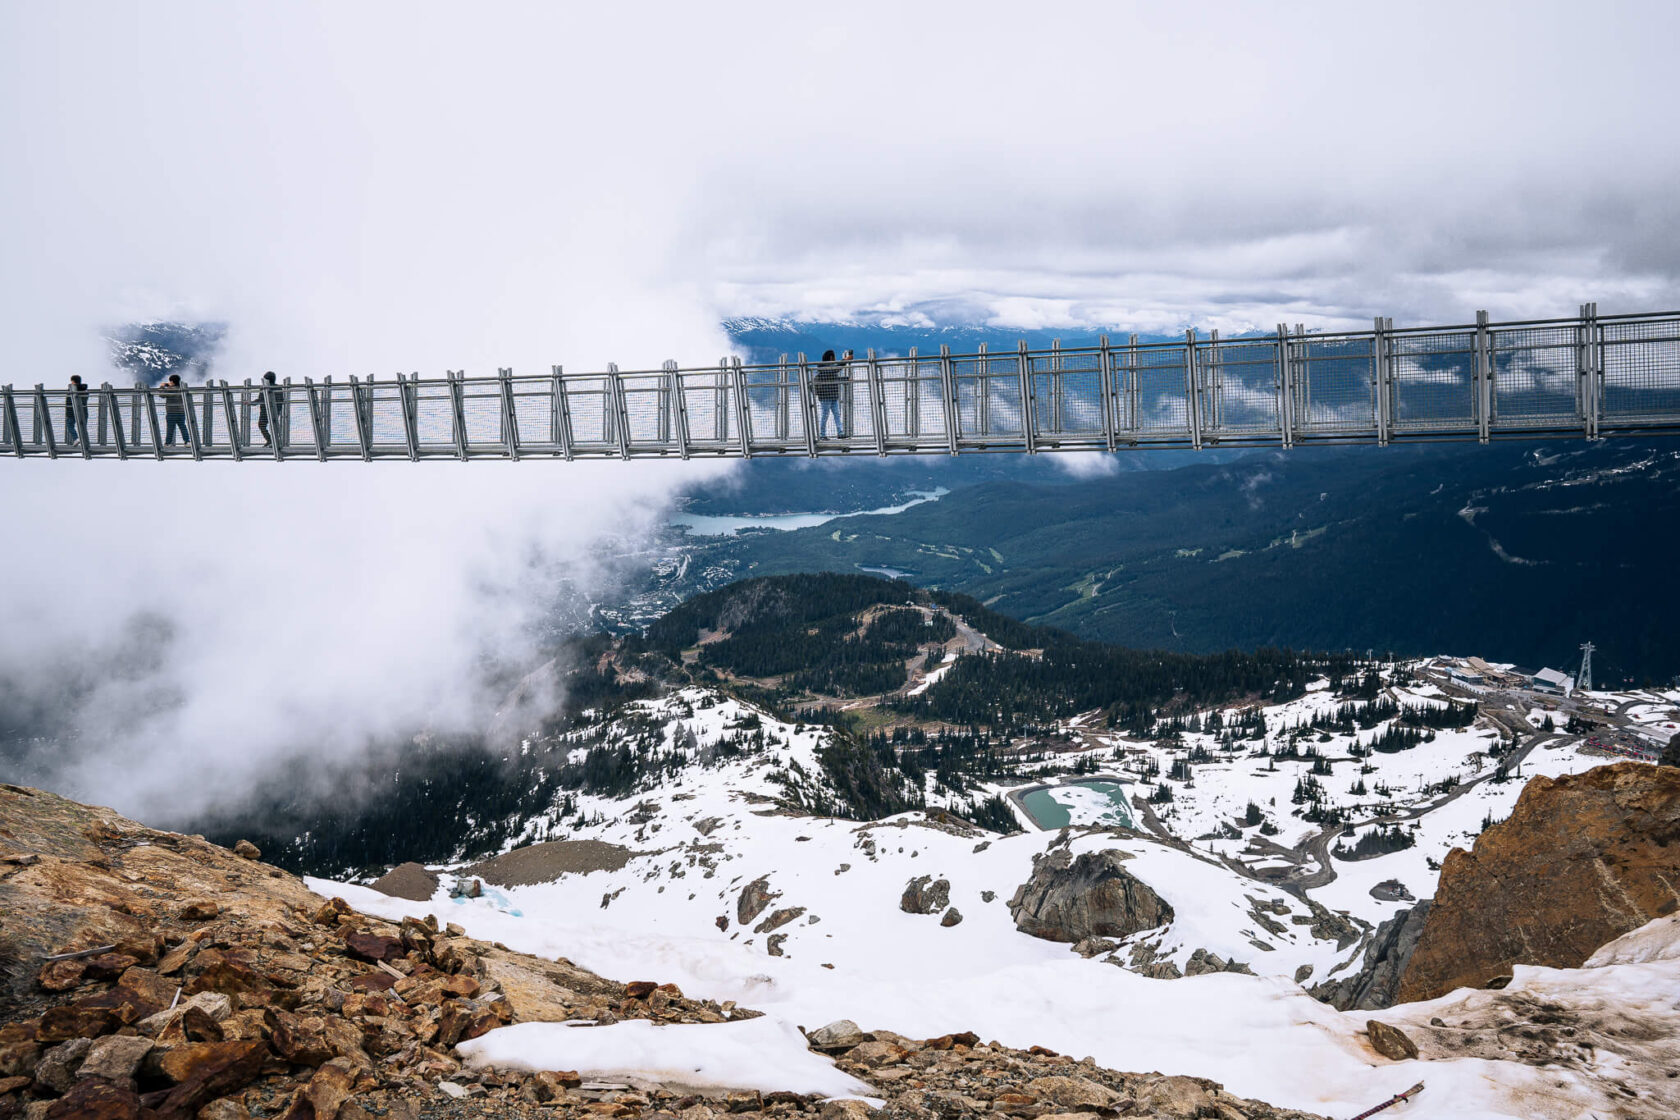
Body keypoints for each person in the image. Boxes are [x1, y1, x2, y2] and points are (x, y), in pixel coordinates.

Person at [814, 349, 849, 439]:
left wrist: (845, 379)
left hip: (833, 395)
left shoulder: (828, 368)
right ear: (831, 357)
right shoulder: (823, 367)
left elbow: (834, 377)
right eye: (834, 357)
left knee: (836, 414)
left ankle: (840, 432)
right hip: (826, 396)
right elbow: (835, 370)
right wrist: (845, 361)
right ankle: (822, 434)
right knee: (825, 415)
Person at [159, 373, 190, 446]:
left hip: (171, 412)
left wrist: (162, 387)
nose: (169, 383)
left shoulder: (170, 389)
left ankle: (167, 443)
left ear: (172, 382)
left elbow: (161, 395)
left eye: (170, 381)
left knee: (170, 429)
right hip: (181, 412)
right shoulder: (181, 389)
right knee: (183, 427)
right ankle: (187, 441)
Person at [255, 371, 280, 447]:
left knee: (261, 425)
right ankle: (275, 441)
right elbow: (281, 399)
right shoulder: (278, 388)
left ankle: (270, 440)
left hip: (265, 411)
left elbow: (260, 399)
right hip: (276, 410)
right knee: (274, 425)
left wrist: (250, 403)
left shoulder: (264, 388)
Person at [64, 375, 90, 446]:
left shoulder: (71, 390)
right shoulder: (85, 389)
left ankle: (76, 438)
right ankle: (85, 443)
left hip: (71, 412)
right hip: (83, 411)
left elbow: (69, 401)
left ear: (72, 381)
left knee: (70, 425)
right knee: (83, 427)